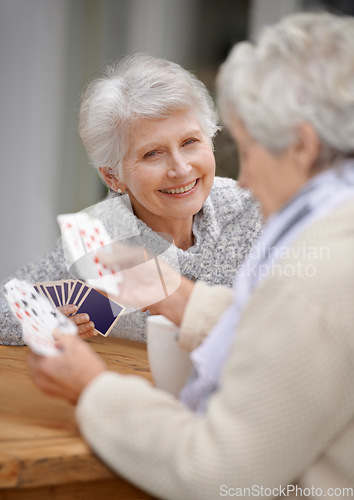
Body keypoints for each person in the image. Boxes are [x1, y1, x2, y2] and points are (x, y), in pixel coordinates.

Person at [29, 11, 354, 499]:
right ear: (113, 176)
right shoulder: (334, 228)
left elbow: (219, 476)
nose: (240, 178)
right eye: (152, 154)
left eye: (246, 148)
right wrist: (183, 299)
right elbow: (289, 335)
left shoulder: (306, 269)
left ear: (302, 147)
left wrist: (93, 387)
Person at [0, 53, 261, 345]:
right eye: (152, 154)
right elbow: (4, 308)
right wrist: (44, 321)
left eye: (190, 142)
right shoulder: (97, 234)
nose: (181, 169)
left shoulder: (254, 208)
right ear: (113, 177)